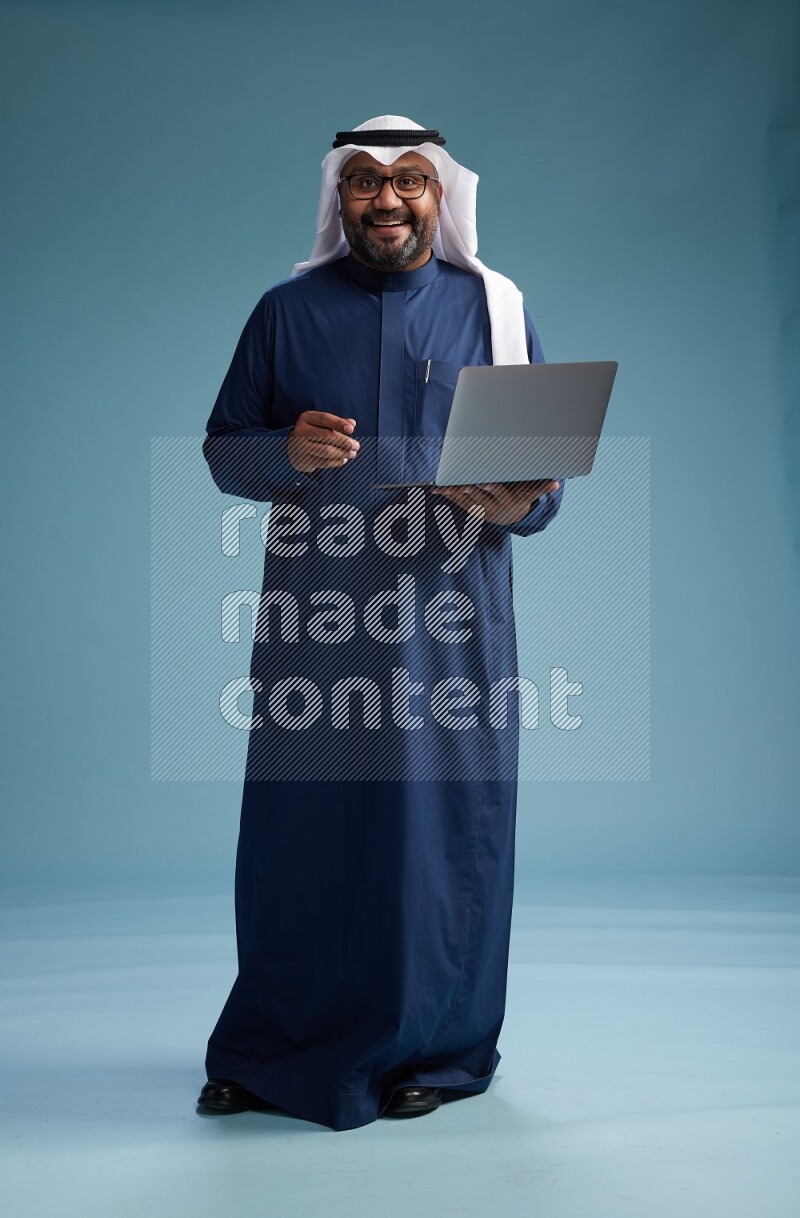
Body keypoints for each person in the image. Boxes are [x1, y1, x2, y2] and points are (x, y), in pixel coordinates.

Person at [198, 115, 564, 1132]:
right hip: (313, 621)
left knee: (435, 840)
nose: (388, 199)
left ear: (440, 196)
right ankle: (267, 1048)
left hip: (448, 628)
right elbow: (225, 448)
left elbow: (541, 492)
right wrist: (285, 453)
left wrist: (513, 504)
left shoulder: (495, 310)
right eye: (365, 183)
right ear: (337, 198)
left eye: (409, 181)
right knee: (299, 837)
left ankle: (437, 1050)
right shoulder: (284, 311)